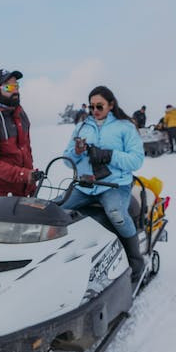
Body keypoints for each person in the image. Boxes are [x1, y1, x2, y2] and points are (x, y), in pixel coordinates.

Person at [63, 85, 146, 280]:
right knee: (56, 211)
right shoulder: (82, 127)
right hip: (85, 186)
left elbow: (136, 160)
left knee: (116, 214)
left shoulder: (125, 127)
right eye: (91, 107)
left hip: (115, 185)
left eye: (99, 106)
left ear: (111, 104)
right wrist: (76, 152)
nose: (95, 111)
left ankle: (135, 260)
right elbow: (67, 160)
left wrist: (110, 155)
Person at [0, 69, 40, 204]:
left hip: (23, 191)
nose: (15, 91)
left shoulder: (20, 114)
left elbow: (26, 151)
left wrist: (31, 182)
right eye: (9, 87)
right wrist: (23, 175)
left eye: (16, 86)